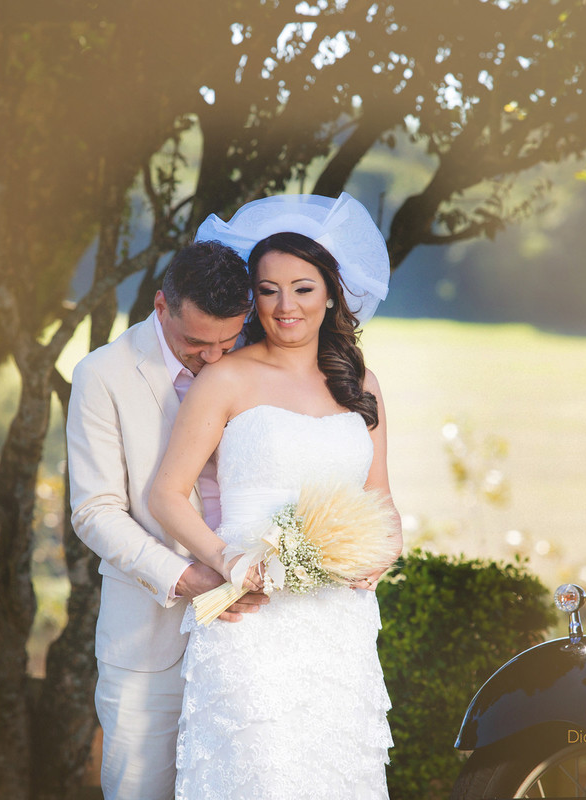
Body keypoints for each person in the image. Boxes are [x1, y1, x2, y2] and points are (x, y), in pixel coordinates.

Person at [148, 193, 402, 799]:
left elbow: (382, 498)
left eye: (303, 288)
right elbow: (167, 494)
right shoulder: (225, 379)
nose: (285, 306)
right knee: (260, 772)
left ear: (333, 293)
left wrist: (386, 552)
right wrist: (228, 559)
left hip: (338, 620)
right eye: (268, 290)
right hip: (251, 620)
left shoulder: (359, 384)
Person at [66, 240, 268, 800]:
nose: (212, 358)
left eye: (228, 341)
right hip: (147, 637)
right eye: (196, 342)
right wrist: (187, 578)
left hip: (254, 631)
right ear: (161, 306)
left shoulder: (256, 364)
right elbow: (94, 511)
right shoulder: (102, 374)